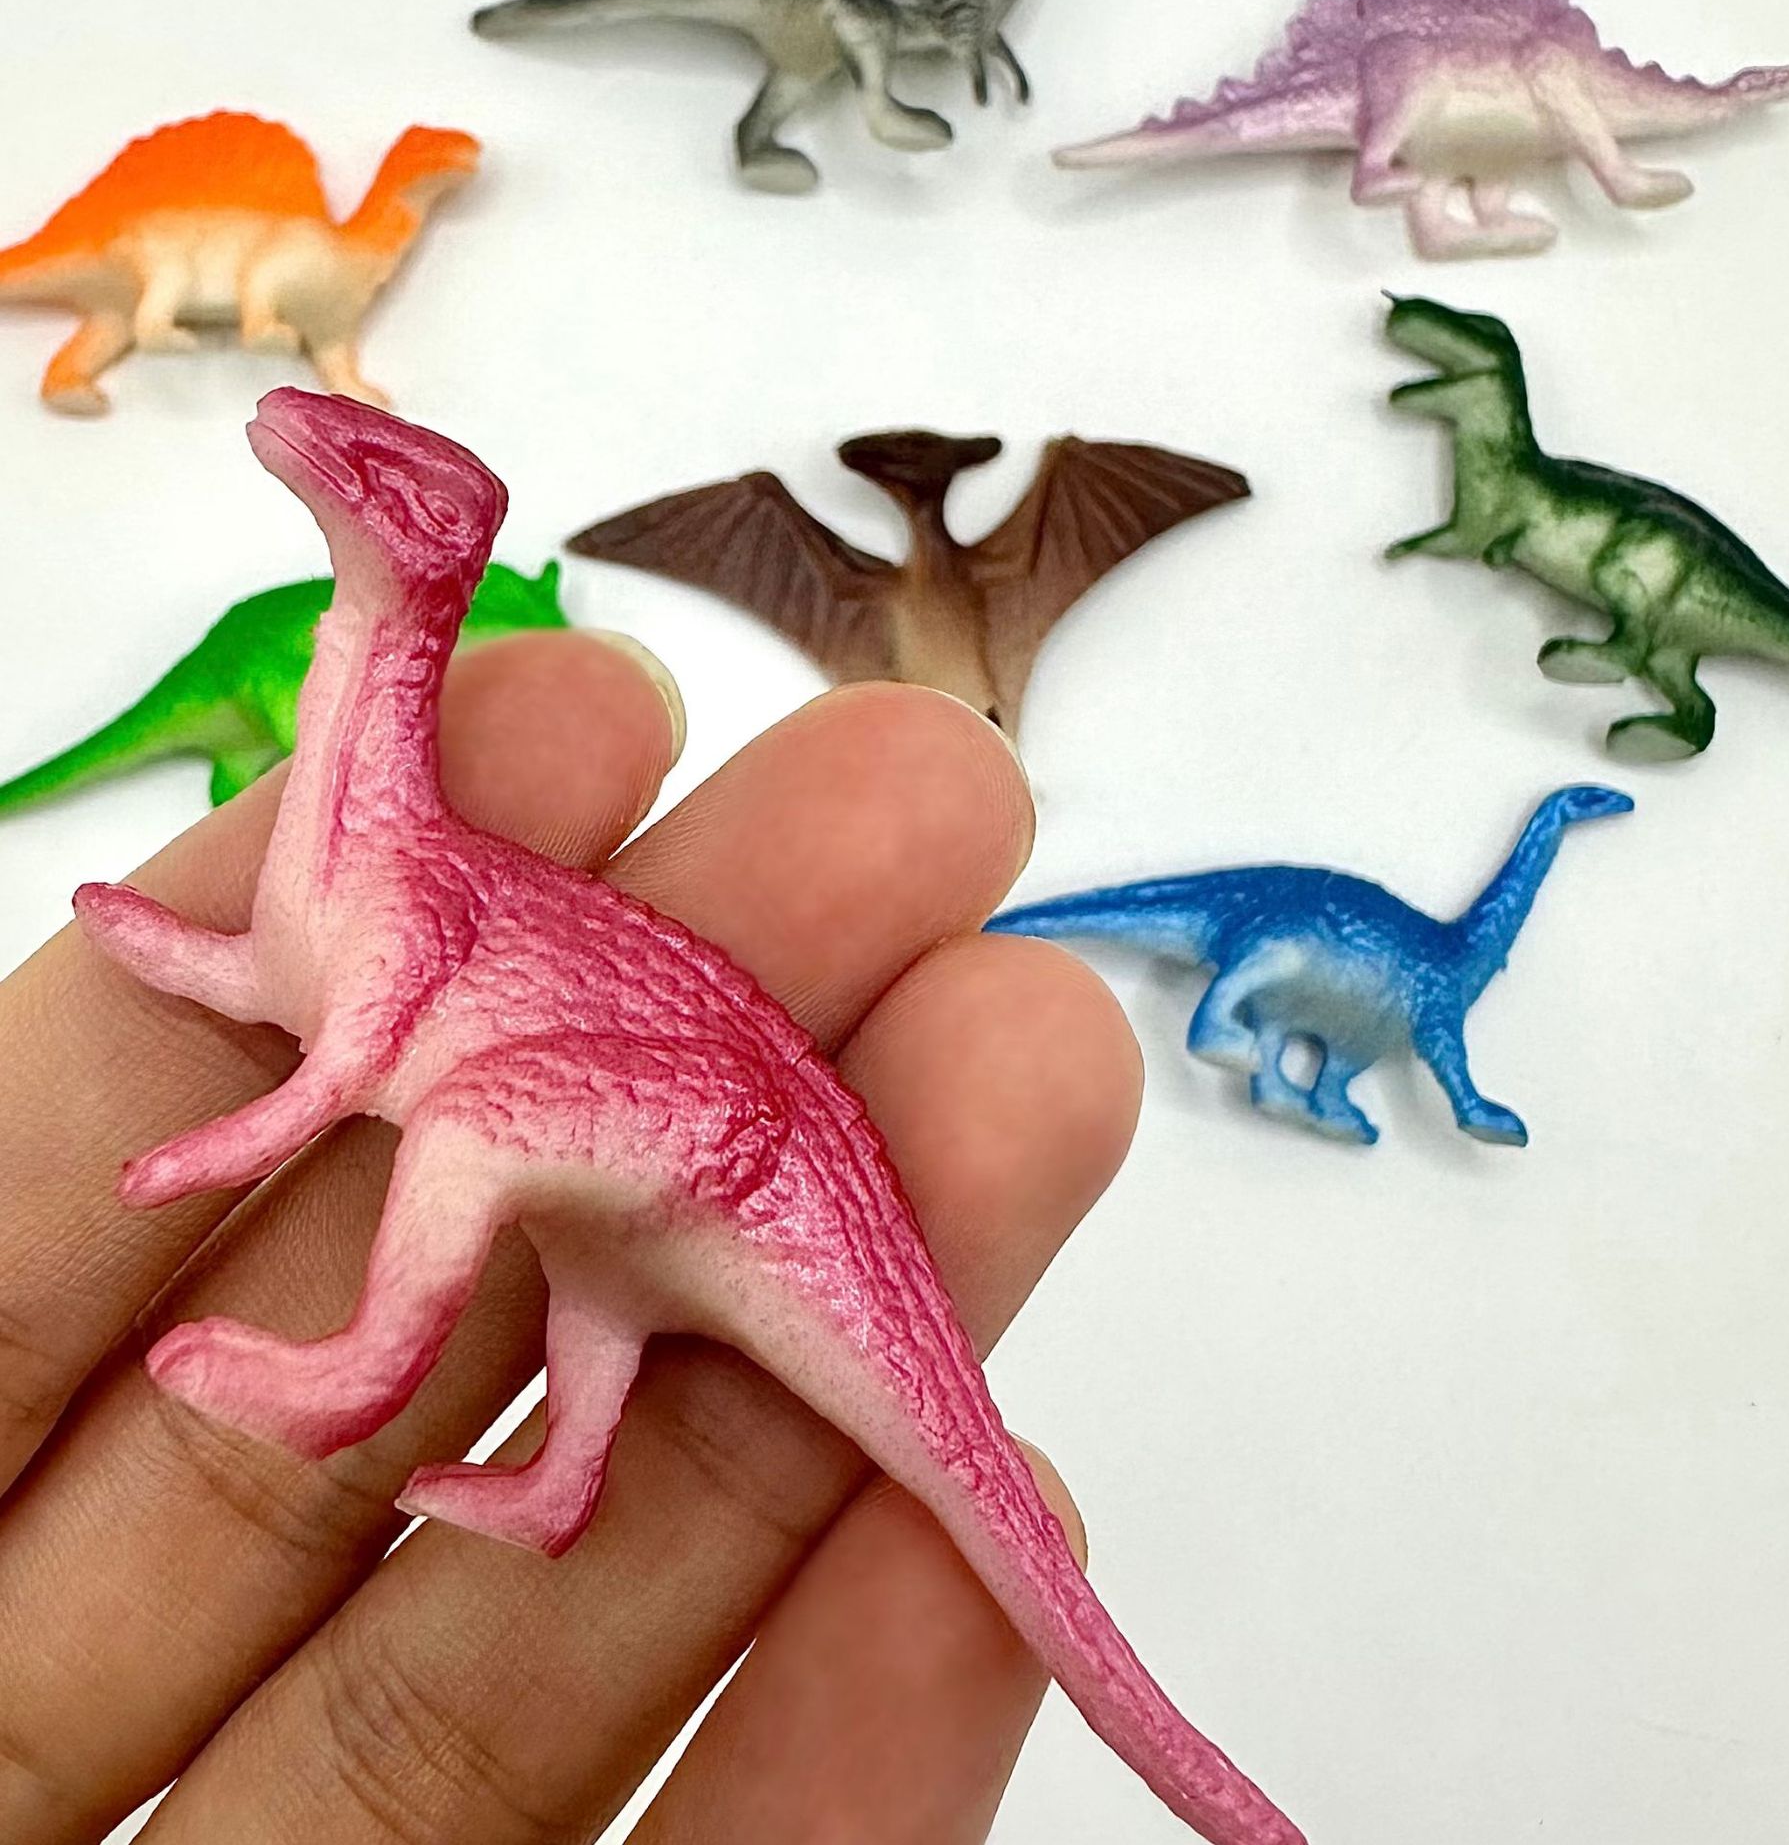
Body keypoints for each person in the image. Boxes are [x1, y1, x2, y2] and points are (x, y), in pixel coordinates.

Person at [0, 630, 1142, 1843]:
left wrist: (217, 1148)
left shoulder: (402, 865)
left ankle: (360, 1374)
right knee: (593, 1254)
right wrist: (194, 965)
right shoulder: (377, 862)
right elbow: (313, 991)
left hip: (736, 1144)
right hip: (674, 1141)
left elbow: (346, 1055)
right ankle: (560, 1482)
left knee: (472, 1125)